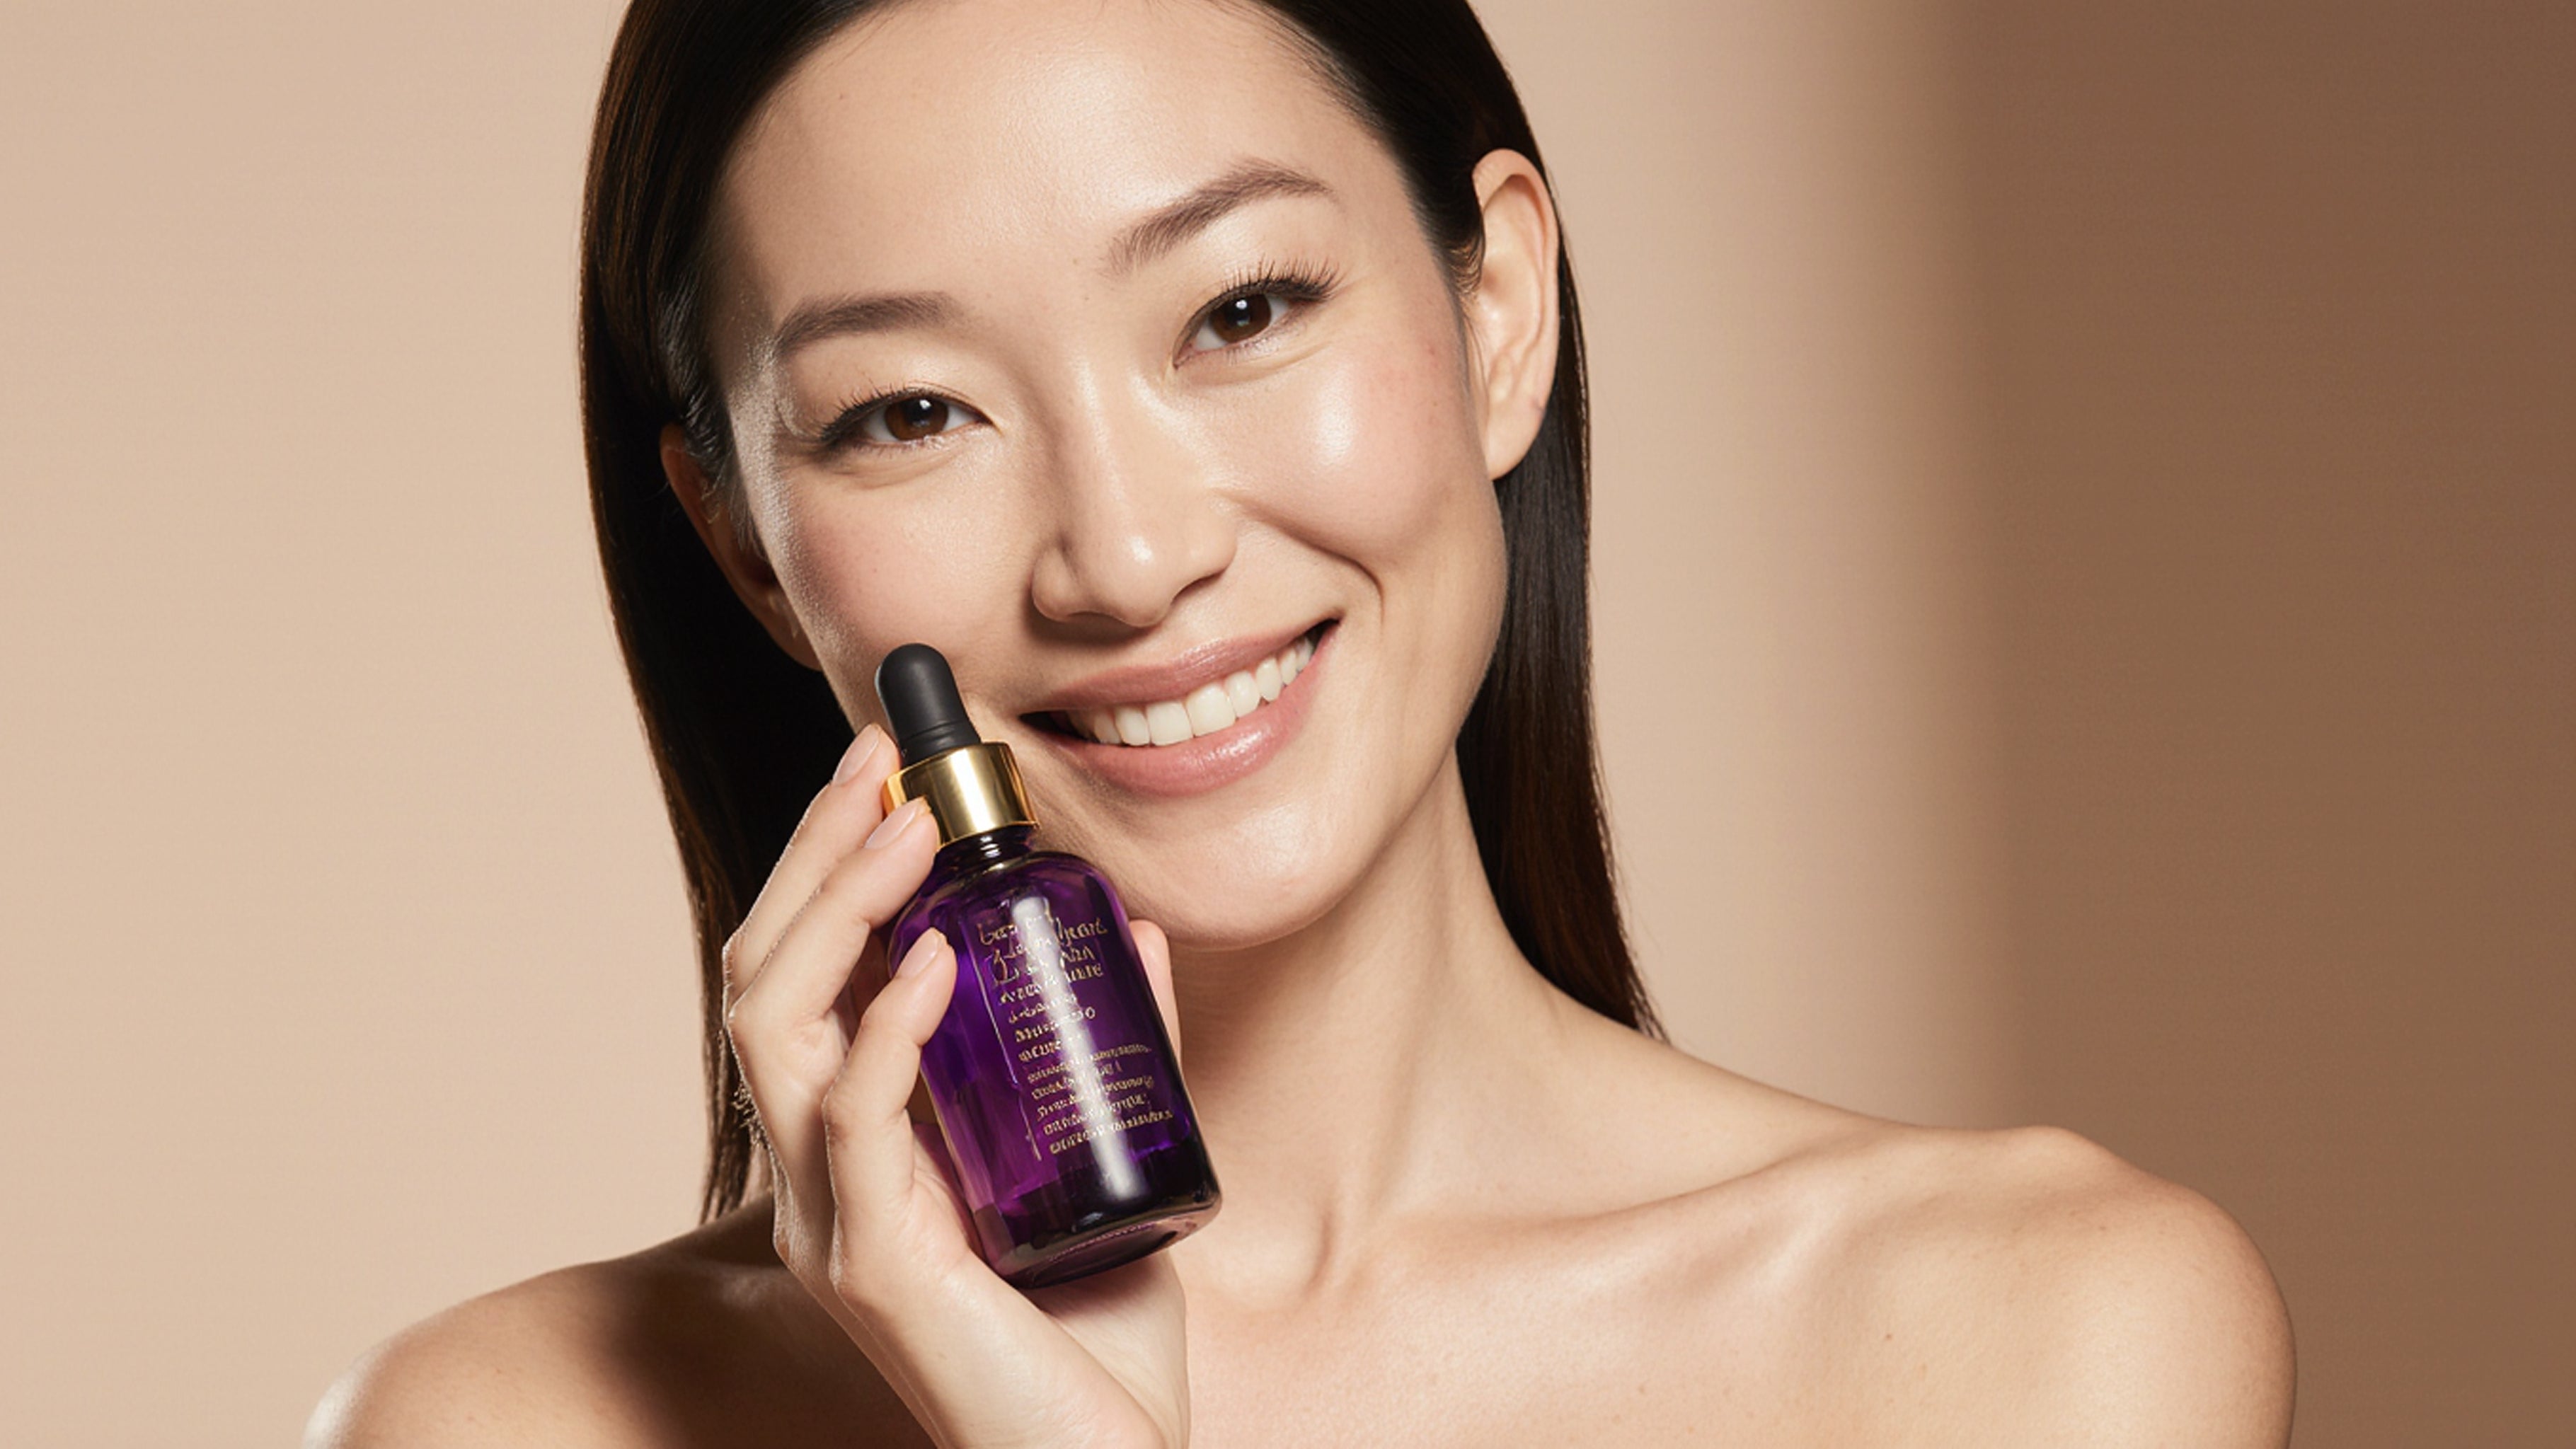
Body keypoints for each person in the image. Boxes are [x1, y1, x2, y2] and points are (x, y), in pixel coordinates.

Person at [309, 1, 2294, 1443]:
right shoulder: (515, 1423)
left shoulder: (2029, 1340)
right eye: (913, 411)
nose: (1126, 555)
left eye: (1241, 311)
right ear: (748, 547)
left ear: (1498, 311)